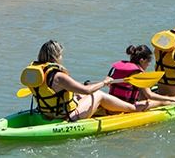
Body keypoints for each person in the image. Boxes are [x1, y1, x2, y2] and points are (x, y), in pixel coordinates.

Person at [21, 40, 149, 121]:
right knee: (98, 94)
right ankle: (133, 108)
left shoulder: (36, 73)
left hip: (46, 113)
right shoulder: (58, 76)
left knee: (78, 94)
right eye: (60, 55)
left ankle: (110, 107)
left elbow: (57, 90)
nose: (61, 57)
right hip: (64, 116)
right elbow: (87, 91)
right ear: (55, 56)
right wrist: (104, 82)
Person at [106, 44, 175, 106]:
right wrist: (170, 98)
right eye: (148, 61)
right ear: (142, 60)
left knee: (142, 91)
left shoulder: (117, 68)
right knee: (161, 102)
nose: (149, 64)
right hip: (126, 107)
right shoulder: (139, 74)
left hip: (112, 104)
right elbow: (150, 95)